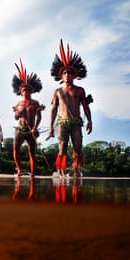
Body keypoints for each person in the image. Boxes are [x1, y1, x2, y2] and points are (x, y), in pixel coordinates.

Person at [47, 39, 93, 185]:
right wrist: (50, 127)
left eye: (70, 72)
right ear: (61, 76)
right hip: (62, 122)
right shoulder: (57, 91)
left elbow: (85, 106)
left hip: (76, 122)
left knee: (78, 146)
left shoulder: (80, 90)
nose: (68, 74)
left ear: (75, 75)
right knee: (62, 147)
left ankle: (76, 169)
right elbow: (54, 109)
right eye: (65, 72)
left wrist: (90, 120)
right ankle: (61, 171)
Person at [11, 59, 44, 200]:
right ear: (20, 91)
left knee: (32, 152)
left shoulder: (35, 103)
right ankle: (19, 169)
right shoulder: (18, 103)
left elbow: (39, 116)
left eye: (29, 89)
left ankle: (32, 173)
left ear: (32, 90)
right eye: (24, 89)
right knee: (16, 148)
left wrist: (35, 127)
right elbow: (15, 117)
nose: (26, 90)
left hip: (31, 130)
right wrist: (17, 113)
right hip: (20, 128)